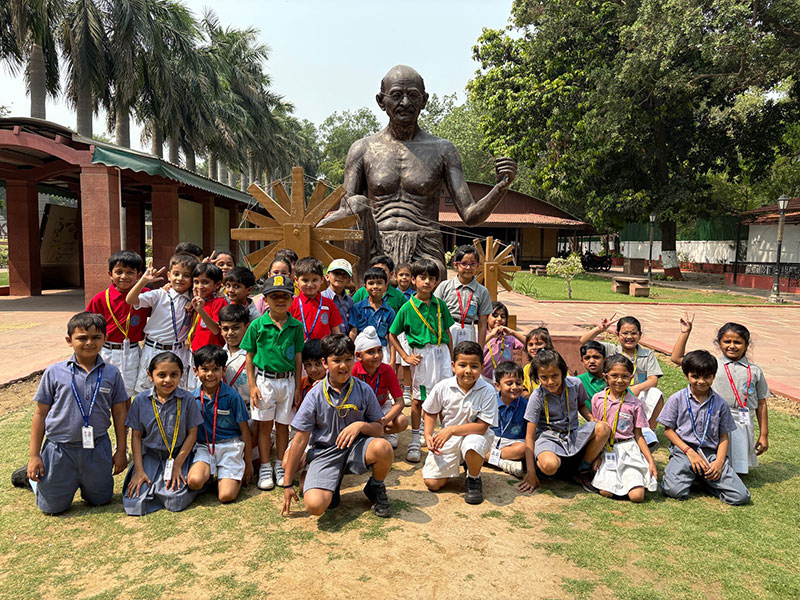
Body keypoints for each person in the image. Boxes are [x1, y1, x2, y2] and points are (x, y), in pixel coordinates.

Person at [318, 65, 516, 280]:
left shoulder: (443, 150)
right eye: (396, 95)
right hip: (375, 244)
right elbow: (348, 212)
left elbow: (470, 215)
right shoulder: (363, 149)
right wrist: (314, 228)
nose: (405, 103)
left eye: (412, 95)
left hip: (424, 246)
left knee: (428, 276)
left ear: (424, 100)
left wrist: (501, 187)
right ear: (381, 101)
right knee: (356, 203)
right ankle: (362, 296)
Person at [25, 312, 129, 514]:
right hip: (60, 449)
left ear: (105, 339)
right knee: (52, 508)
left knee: (101, 499)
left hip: (97, 448)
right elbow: (40, 414)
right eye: (82, 338)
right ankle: (34, 479)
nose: (89, 342)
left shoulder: (111, 373)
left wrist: (121, 450)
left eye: (96, 337)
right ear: (69, 340)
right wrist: (34, 455)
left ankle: (81, 482)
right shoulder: (54, 372)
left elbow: (119, 413)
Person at [281, 334, 394, 518]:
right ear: (325, 363)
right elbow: (300, 440)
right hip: (324, 453)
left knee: (383, 447)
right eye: (337, 360)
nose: (343, 366)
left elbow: (379, 429)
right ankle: (332, 484)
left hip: (356, 449)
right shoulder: (314, 395)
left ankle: (375, 486)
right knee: (315, 506)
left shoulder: (364, 389)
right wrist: (287, 484)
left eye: (348, 359)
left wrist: (360, 426)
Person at [670, 318, 769, 475]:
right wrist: (685, 333)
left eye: (737, 342)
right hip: (717, 416)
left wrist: (764, 435)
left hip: (744, 419)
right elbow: (676, 358)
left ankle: (734, 470)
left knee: (738, 457)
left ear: (746, 345)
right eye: (727, 341)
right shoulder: (711, 365)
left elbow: (762, 403)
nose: (732, 346)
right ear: (719, 343)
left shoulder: (755, 371)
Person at [658, 350, 750, 505]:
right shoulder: (677, 399)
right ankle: (691, 475)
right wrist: (689, 452)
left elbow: (724, 436)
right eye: (695, 376)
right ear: (686, 375)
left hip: (710, 454)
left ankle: (704, 480)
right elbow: (668, 431)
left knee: (740, 496)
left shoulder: (721, 404)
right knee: (674, 491)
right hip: (684, 451)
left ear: (713, 376)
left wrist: (719, 462)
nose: (701, 381)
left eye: (707, 376)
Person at [388, 259, 455, 463]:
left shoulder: (440, 304)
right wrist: (405, 356)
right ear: (414, 280)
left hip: (442, 354)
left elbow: (448, 333)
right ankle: (415, 440)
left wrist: (452, 359)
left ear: (436, 281)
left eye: (431, 278)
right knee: (418, 399)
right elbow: (392, 334)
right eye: (422, 277)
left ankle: (445, 438)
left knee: (445, 397)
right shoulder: (407, 307)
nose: (427, 282)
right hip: (422, 356)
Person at [518, 349, 611, 494]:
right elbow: (529, 436)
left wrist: (592, 420)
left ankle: (582, 470)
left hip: (572, 434)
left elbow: (581, 405)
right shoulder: (537, 397)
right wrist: (531, 473)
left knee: (603, 428)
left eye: (555, 375)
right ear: (537, 377)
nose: (550, 382)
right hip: (548, 438)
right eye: (544, 377)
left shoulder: (575, 384)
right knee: (549, 465)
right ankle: (556, 469)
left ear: (563, 372)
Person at [242, 275, 304, 490]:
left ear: (292, 299)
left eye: (285, 296)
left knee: (284, 426)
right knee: (265, 426)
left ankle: (280, 464)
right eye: (274, 296)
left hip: (287, 381)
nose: (280, 300)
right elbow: (249, 356)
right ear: (265, 299)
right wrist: (252, 386)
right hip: (264, 381)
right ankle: (265, 466)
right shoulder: (257, 325)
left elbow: (298, 357)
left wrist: (297, 386)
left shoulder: (296, 326)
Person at [123, 351, 203, 516]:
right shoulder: (140, 400)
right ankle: (153, 485)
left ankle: (185, 486)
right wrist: (139, 470)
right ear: (150, 376)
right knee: (134, 503)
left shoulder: (187, 399)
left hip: (178, 456)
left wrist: (178, 465)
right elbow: (136, 437)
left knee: (175, 500)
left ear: (181, 375)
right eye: (161, 375)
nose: (168, 380)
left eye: (174, 375)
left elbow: (192, 434)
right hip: (150, 457)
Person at [422, 341, 497, 504]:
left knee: (472, 444)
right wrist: (428, 435)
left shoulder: (488, 391)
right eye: (462, 365)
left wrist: (451, 430)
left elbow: (482, 426)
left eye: (474, 366)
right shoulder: (443, 387)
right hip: (449, 438)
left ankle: (474, 477)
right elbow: (430, 411)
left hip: (476, 435)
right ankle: (462, 460)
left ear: (482, 367)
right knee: (432, 483)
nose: (468, 371)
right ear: (453, 366)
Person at [580, 315, 662, 445]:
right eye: (625, 333)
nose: (629, 337)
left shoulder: (647, 354)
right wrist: (600, 329)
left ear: (640, 335)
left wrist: (635, 388)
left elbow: (653, 380)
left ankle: (649, 432)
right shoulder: (611, 349)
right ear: (617, 334)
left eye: (633, 333)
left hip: (636, 395)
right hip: (616, 393)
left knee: (656, 393)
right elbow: (584, 342)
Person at [187, 345, 253, 503]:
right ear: (195, 371)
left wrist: (248, 463)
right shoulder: (192, 398)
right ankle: (208, 475)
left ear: (224, 371)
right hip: (204, 447)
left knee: (226, 496)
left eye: (216, 369)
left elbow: (245, 431)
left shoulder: (232, 396)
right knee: (194, 482)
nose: (210, 374)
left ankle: (228, 477)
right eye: (205, 369)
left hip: (230, 446)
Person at [590, 355, 658, 502]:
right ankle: (616, 484)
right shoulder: (598, 399)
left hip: (629, 450)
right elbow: (596, 430)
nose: (619, 380)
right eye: (614, 376)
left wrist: (650, 461)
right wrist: (596, 456)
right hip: (607, 449)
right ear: (605, 377)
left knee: (637, 496)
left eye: (625, 376)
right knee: (606, 492)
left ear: (631, 378)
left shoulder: (635, 403)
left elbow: (638, 435)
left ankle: (629, 483)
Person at [127, 254, 198, 392]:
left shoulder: (194, 299)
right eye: (176, 274)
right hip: (154, 349)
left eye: (186, 275)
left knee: (177, 391)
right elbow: (130, 300)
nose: (180, 278)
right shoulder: (159, 294)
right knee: (148, 392)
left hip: (179, 351)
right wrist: (143, 281)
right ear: (169, 275)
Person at [85, 250, 150, 398]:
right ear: (110, 274)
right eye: (119, 272)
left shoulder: (146, 295)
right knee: (103, 391)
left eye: (130, 272)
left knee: (127, 393)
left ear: (139, 275)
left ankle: (125, 414)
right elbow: (87, 324)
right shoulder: (100, 298)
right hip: (107, 351)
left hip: (132, 351)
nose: (124, 276)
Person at [353, 327, 409, 448]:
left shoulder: (387, 370)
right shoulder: (353, 371)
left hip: (381, 410)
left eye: (379, 350)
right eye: (371, 352)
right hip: (359, 412)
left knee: (402, 421)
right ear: (358, 355)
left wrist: (384, 421)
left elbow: (400, 402)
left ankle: (384, 433)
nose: (377, 355)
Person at [434, 244, 492, 347]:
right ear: (455, 265)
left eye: (472, 264)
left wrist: (480, 348)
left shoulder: (482, 291)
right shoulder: (445, 286)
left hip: (469, 329)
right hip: (448, 328)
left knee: (467, 356)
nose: (468, 268)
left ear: (478, 266)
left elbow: (483, 324)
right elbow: (434, 312)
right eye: (464, 264)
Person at [485, 361, 527, 478]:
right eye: (509, 383)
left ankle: (486, 458)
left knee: (523, 449)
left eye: (518, 383)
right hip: (491, 440)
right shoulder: (489, 401)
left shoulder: (526, 405)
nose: (515, 387)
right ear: (497, 385)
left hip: (512, 443)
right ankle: (501, 463)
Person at [349, 267, 396, 364]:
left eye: (379, 283)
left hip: (381, 351)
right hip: (361, 350)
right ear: (365, 287)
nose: (375, 286)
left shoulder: (389, 311)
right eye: (371, 283)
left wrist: (392, 360)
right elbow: (353, 331)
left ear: (386, 286)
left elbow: (392, 337)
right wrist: (349, 352)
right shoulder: (357, 308)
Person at [289, 257, 343, 341]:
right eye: (305, 280)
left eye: (315, 280)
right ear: (296, 280)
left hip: (323, 348)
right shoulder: (292, 304)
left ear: (322, 280)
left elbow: (336, 332)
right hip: (299, 348)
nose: (310, 285)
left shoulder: (329, 304)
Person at [482, 301, 524, 381]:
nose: (499, 319)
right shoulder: (482, 336)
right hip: (485, 378)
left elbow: (528, 343)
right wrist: (491, 335)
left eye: (503, 316)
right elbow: (475, 347)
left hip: (506, 379)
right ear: (487, 318)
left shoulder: (510, 337)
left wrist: (513, 332)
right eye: (495, 315)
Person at [394, 262, 415, 406]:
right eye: (401, 275)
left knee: (406, 363)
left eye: (407, 275)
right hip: (394, 332)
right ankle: (394, 390)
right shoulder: (391, 294)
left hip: (407, 333)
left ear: (412, 278)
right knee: (394, 363)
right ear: (395, 277)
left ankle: (407, 390)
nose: (404, 278)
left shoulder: (414, 295)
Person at [321, 259, 355, 334]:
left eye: (344, 275)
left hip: (344, 339)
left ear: (349, 280)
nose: (340, 277)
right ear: (327, 276)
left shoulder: (349, 301)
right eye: (336, 273)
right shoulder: (321, 298)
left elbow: (352, 324)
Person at [522, 328, 554, 395]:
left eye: (539, 344)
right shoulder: (527, 368)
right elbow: (523, 387)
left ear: (547, 345)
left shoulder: (554, 365)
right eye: (530, 345)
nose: (534, 347)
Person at [577, 341, 607, 405]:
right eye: (587, 358)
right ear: (582, 361)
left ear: (604, 359)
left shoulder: (613, 378)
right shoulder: (578, 382)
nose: (592, 361)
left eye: (596, 357)